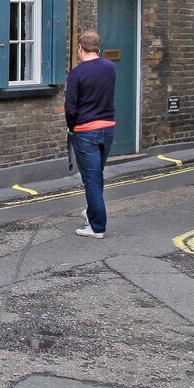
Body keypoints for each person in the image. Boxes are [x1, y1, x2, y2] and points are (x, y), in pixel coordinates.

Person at [65, 30, 118, 238]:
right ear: (98, 48)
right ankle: (92, 213)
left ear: (80, 48)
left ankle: (97, 226)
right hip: (108, 128)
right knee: (97, 176)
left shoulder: (77, 73)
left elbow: (70, 107)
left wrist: (71, 127)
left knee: (92, 180)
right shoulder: (110, 68)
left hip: (86, 131)